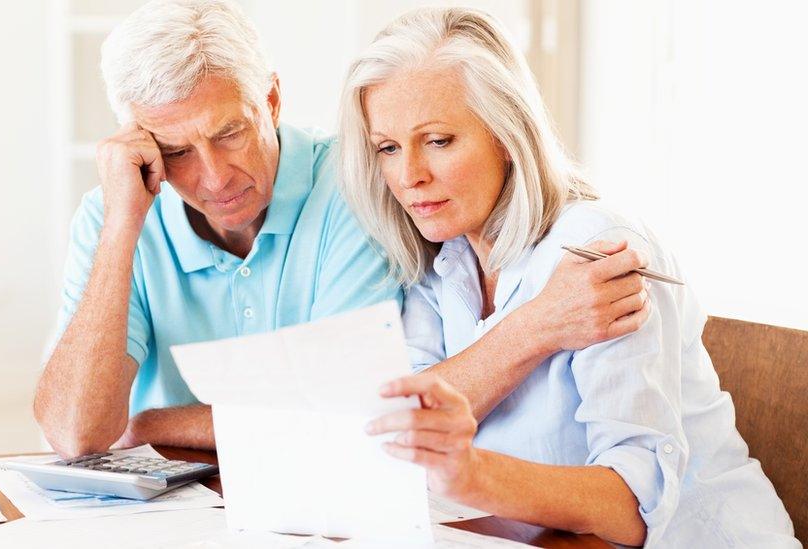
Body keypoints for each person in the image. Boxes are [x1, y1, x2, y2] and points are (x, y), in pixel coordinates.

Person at [33, 0, 650, 460]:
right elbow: (73, 433)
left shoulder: (360, 190)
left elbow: (350, 405)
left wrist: (146, 424)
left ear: (271, 101)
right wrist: (122, 227)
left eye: (229, 133)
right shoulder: (116, 213)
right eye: (176, 151)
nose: (215, 177)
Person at [346, 7, 799, 548]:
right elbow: (405, 424)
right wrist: (537, 327)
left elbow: (634, 506)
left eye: (439, 140)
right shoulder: (438, 258)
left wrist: (471, 475)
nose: (408, 175)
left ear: (507, 133)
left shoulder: (598, 250)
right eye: (388, 148)